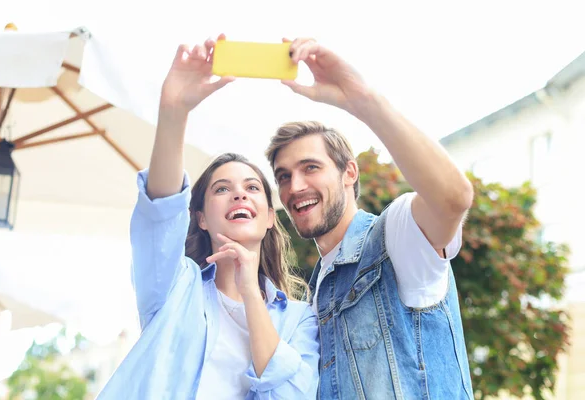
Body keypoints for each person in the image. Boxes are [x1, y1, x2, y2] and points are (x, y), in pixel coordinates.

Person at [96, 35, 319, 400]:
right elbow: (159, 210)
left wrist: (250, 290)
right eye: (221, 189)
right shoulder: (174, 287)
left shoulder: (299, 319)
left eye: (252, 187)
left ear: (267, 217)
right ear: (199, 218)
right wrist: (174, 110)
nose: (239, 194)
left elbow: (292, 396)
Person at [265, 38, 475, 399]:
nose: (294, 186)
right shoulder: (314, 297)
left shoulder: (394, 236)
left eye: (310, 168)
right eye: (283, 176)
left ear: (349, 173)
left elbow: (454, 198)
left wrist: (362, 100)